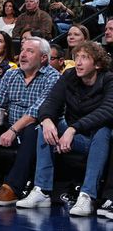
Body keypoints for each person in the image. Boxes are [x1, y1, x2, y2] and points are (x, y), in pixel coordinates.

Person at [17, 41, 113, 216]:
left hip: (95, 140)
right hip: (74, 135)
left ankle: (87, 196)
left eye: (85, 58)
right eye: (77, 57)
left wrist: (72, 129)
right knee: (44, 126)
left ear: (98, 64)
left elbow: (107, 111)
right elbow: (50, 102)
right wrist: (46, 120)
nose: (78, 62)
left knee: (104, 129)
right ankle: (42, 191)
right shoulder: (69, 76)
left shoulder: (108, 79)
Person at [0, 36, 60, 205]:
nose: (23, 54)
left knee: (34, 128)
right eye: (22, 50)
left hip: (31, 127)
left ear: (43, 58)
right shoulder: (11, 74)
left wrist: (13, 130)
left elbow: (37, 110)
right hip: (9, 125)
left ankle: (12, 188)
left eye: (30, 51)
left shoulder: (53, 77)